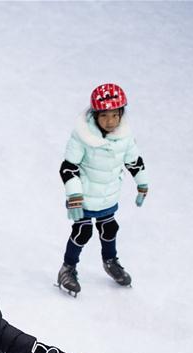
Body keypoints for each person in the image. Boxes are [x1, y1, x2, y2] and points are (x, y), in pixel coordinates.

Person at [57, 83, 150, 296]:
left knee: (109, 229)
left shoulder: (124, 137)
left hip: (108, 197)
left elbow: (134, 161)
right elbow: (68, 167)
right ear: (95, 115)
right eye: (105, 116)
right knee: (83, 232)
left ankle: (110, 261)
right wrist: (74, 193)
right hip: (82, 198)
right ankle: (67, 268)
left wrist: (142, 182)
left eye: (115, 115)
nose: (111, 121)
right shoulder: (82, 137)